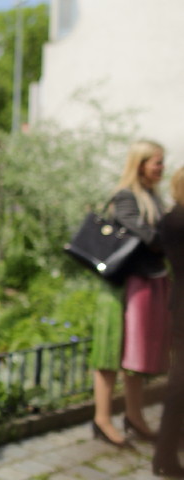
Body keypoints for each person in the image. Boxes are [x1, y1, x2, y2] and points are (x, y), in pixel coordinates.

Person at [90, 139, 169, 448]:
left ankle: (134, 416)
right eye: (157, 162)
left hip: (147, 283)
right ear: (140, 164)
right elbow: (149, 238)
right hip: (124, 286)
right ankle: (102, 419)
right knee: (110, 352)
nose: (162, 167)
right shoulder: (126, 197)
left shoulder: (151, 196)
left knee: (136, 356)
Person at [153, 166, 184, 477]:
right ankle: (165, 454)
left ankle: (166, 451)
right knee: (179, 387)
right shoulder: (177, 220)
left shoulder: (174, 217)